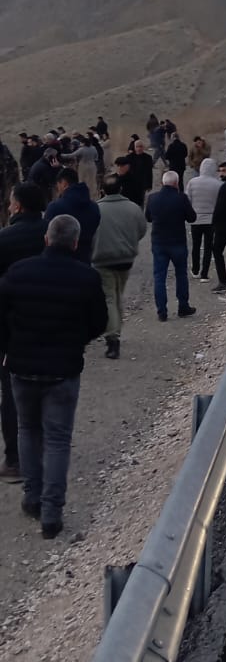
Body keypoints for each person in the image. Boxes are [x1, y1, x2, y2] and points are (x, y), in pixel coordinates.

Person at [0, 212, 107, 537]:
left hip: (22, 367)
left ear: (47, 239)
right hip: (63, 369)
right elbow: (99, 322)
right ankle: (51, 513)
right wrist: (77, 340)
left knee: (28, 431)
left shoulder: (18, 273)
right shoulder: (86, 278)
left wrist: (11, 345)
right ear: (75, 243)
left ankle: (32, 497)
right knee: (58, 439)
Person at [0, 183, 46, 482]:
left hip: (10, 330)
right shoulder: (53, 234)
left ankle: (15, 460)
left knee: (12, 393)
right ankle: (44, 452)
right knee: (49, 390)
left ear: (17, 206)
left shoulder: (4, 239)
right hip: (51, 324)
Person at [93, 176, 147, 358]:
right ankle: (116, 330)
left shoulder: (96, 209)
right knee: (117, 296)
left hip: (102, 260)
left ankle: (112, 337)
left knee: (109, 297)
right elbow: (142, 230)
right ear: (121, 189)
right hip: (126, 258)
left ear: (102, 190)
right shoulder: (133, 208)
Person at [145, 172, 197, 322]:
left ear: (162, 182)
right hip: (177, 242)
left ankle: (162, 311)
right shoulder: (181, 198)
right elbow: (192, 217)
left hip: (159, 242)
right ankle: (183, 306)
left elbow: (148, 217)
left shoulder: (153, 198)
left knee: (159, 277)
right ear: (176, 183)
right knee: (181, 274)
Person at [44, 166, 100, 265]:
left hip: (58, 263)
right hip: (85, 260)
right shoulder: (94, 207)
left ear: (64, 184)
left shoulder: (55, 207)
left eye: (58, 184)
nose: (58, 188)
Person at [187, 157, 221, 280]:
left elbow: (188, 200)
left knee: (196, 245)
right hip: (211, 220)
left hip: (196, 219)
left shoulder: (192, 182)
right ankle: (204, 274)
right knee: (208, 247)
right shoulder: (218, 184)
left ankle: (195, 269)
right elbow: (220, 203)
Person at [126, 139, 154, 207]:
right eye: (137, 146)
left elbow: (149, 172)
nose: (139, 148)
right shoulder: (129, 157)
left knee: (141, 202)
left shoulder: (148, 158)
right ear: (134, 147)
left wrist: (149, 185)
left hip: (142, 184)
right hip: (131, 184)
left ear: (143, 147)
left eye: (140, 146)